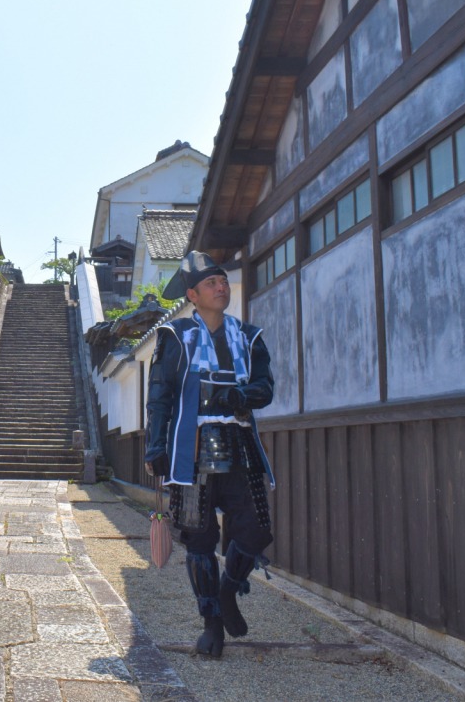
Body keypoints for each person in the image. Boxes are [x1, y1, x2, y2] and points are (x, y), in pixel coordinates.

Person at [144, 251, 275, 658]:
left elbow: (265, 388)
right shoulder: (174, 335)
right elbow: (160, 396)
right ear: (193, 295)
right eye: (211, 283)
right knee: (199, 538)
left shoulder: (249, 336)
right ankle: (211, 623)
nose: (221, 287)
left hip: (240, 445)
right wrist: (156, 446)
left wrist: (240, 395)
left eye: (223, 281)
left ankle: (228, 591)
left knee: (256, 529)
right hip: (192, 446)